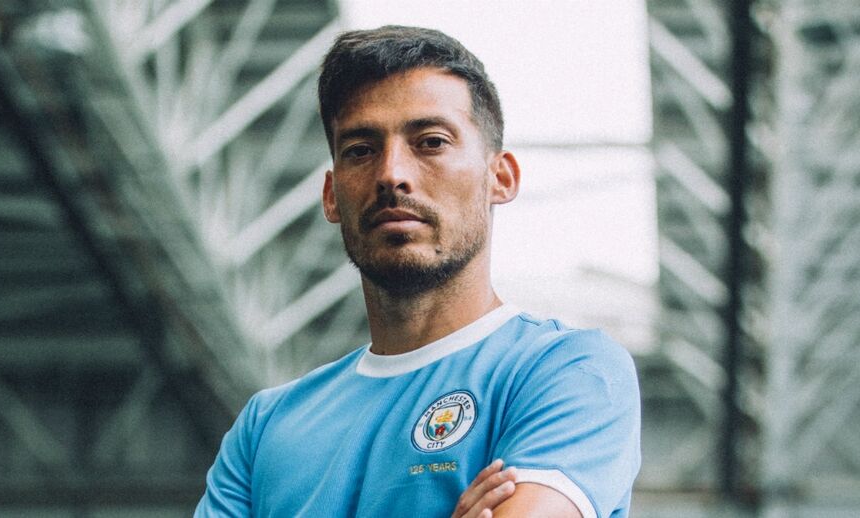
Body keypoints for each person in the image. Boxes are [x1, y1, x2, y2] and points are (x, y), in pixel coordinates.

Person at [195, 25, 640, 518]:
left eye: (430, 142)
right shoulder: (264, 428)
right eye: (360, 150)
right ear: (331, 196)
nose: (391, 174)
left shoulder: (568, 371)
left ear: (500, 177)